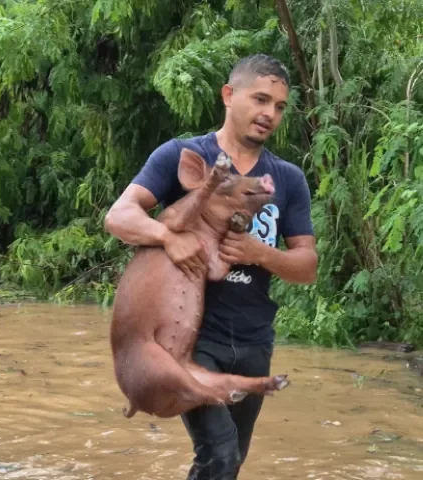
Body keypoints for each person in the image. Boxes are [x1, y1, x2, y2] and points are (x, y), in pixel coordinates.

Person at [104, 53, 318, 479]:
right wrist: (168, 236)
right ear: (228, 95)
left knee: (230, 460)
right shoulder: (183, 156)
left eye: (278, 106)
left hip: (254, 339)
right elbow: (119, 217)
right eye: (260, 99)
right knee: (218, 454)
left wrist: (261, 253)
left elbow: (307, 265)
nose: (268, 114)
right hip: (190, 339)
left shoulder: (287, 179)